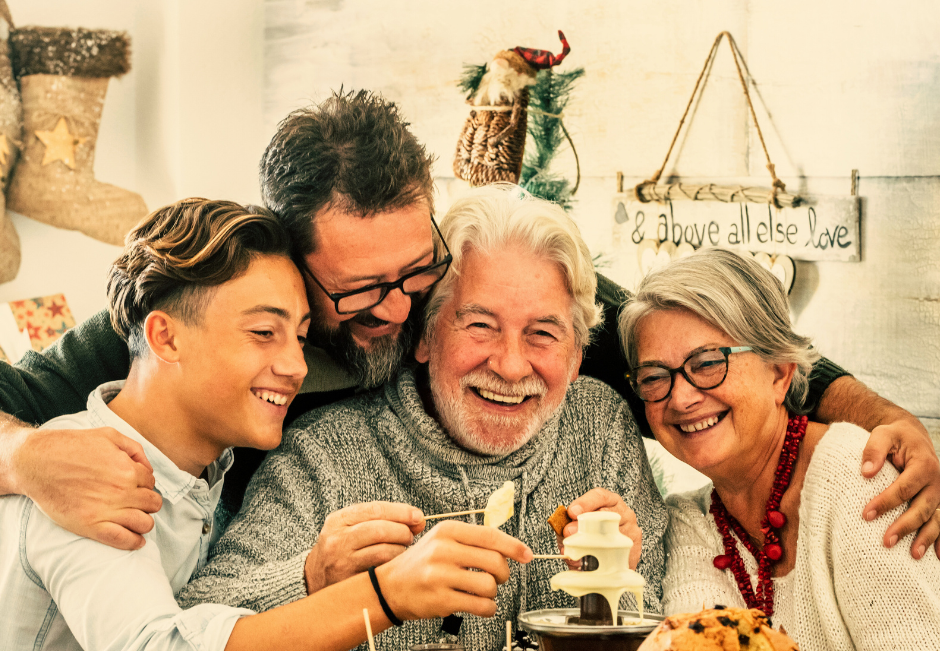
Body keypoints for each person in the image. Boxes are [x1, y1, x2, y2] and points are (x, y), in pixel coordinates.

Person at [0, 90, 937, 559]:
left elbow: (701, 343)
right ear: (290, 253)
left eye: (419, 273)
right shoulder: (203, 302)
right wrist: (22, 459)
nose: (404, 310)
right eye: (363, 294)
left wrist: (882, 416)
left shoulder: (478, 278)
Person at [0, 199, 532, 651]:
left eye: (301, 336)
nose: (295, 366)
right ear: (164, 337)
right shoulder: (88, 471)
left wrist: (320, 580)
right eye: (263, 332)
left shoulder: (206, 472)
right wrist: (385, 593)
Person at [179, 185, 668, 651]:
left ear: (577, 354)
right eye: (480, 325)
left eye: (543, 333)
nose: (512, 365)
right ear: (426, 336)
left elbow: (666, 644)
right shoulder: (322, 455)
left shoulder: (601, 427)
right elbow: (192, 640)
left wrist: (620, 581)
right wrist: (311, 576)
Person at [618, 248, 940, 651]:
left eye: (707, 363)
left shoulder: (859, 475)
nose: (680, 399)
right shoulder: (692, 521)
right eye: (655, 377)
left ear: (780, 372)